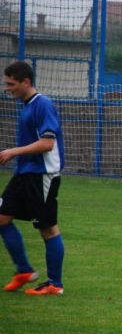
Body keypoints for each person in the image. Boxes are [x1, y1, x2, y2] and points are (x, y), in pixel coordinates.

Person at [1, 60, 66, 295]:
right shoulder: (27, 105)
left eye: (11, 84)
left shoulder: (43, 104)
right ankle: (24, 271)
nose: (7, 88)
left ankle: (54, 284)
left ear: (26, 82)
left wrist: (12, 152)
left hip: (42, 175)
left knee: (47, 229)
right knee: (1, 218)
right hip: (24, 174)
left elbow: (48, 143)